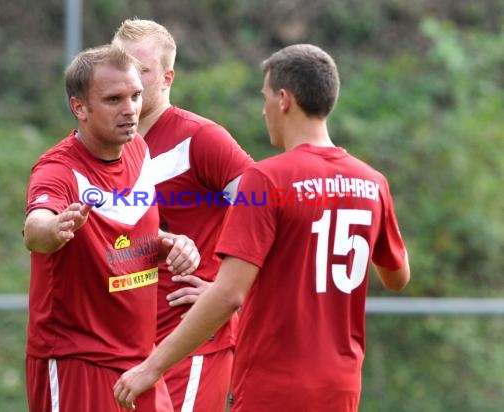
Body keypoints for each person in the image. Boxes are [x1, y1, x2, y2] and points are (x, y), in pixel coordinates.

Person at [113, 44, 411, 411]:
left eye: (265, 97)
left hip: (274, 380)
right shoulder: (372, 183)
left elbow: (229, 294)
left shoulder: (267, 179)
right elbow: (397, 277)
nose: (263, 109)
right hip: (342, 382)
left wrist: (150, 369)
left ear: (283, 100)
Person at [23, 44, 201, 412]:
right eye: (114, 99)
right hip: (77, 361)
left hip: (140, 362)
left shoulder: (137, 149)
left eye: (135, 96)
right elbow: (35, 230)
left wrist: (172, 244)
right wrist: (54, 229)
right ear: (79, 107)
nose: (130, 109)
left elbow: (135, 237)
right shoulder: (58, 169)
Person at [112, 19, 253, 412]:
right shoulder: (107, 146)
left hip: (189, 342)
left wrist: (229, 293)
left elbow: (271, 219)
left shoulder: (201, 139)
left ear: (168, 77)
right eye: (121, 66)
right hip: (124, 344)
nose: (130, 81)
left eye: (142, 70)